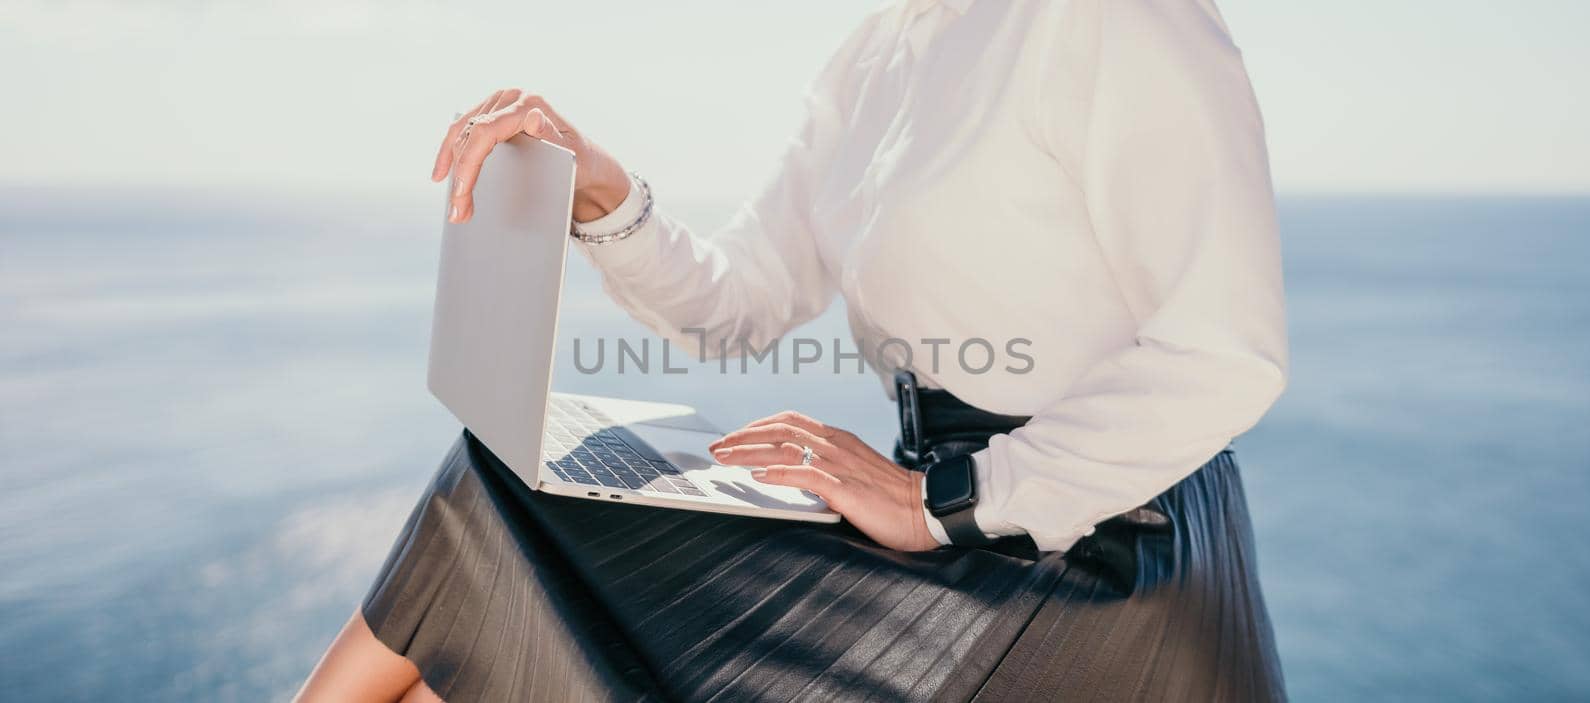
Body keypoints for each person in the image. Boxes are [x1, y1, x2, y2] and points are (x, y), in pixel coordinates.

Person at [297, 0, 1289, 700]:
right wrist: (601, 193)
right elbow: (737, 303)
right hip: (955, 533)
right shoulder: (875, 56)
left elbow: (1223, 352)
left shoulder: (1114, 17)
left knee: (488, 525)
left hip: (1102, 555)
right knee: (491, 528)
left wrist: (939, 501)